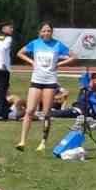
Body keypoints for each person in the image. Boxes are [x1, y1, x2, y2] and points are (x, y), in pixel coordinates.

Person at [15, 23, 71, 152]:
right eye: (44, 31)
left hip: (50, 81)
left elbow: (74, 56)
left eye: (49, 31)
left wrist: (59, 64)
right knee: (29, 110)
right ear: (40, 32)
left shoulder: (58, 44)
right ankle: (22, 141)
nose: (46, 33)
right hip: (36, 80)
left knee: (46, 113)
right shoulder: (35, 43)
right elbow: (20, 53)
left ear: (52, 32)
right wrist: (32, 62)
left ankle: (43, 142)